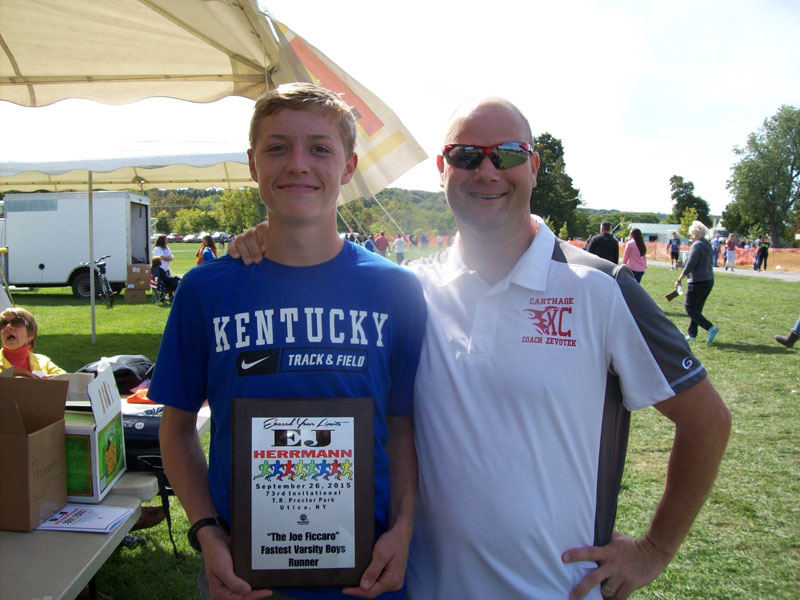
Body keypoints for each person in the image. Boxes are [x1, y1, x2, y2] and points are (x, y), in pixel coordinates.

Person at [230, 97, 731, 600]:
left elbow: (706, 419)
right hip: (422, 589)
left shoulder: (599, 287)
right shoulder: (408, 290)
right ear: (442, 170)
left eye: (508, 154)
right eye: (467, 155)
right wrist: (266, 238)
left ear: (533, 166)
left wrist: (654, 550)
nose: (487, 170)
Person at [148, 82, 426, 600]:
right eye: (277, 147)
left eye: (320, 147)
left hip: (365, 577)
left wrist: (404, 526)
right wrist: (206, 531)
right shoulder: (206, 289)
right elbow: (178, 428)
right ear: (253, 164)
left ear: (348, 167)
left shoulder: (396, 289)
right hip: (247, 577)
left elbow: (402, 423)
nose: (298, 163)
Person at [676, 221, 719, 344]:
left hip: (697, 281)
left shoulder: (697, 245)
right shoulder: (707, 244)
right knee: (697, 309)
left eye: (691, 234)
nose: (690, 236)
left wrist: (680, 278)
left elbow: (690, 264)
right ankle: (692, 334)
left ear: (695, 233)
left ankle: (710, 327)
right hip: (708, 280)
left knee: (689, 308)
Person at [0, 307, 65, 376]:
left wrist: (51, 379)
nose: (7, 327)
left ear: (31, 333)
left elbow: (67, 380)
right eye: (3, 324)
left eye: (17, 322)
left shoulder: (43, 363)